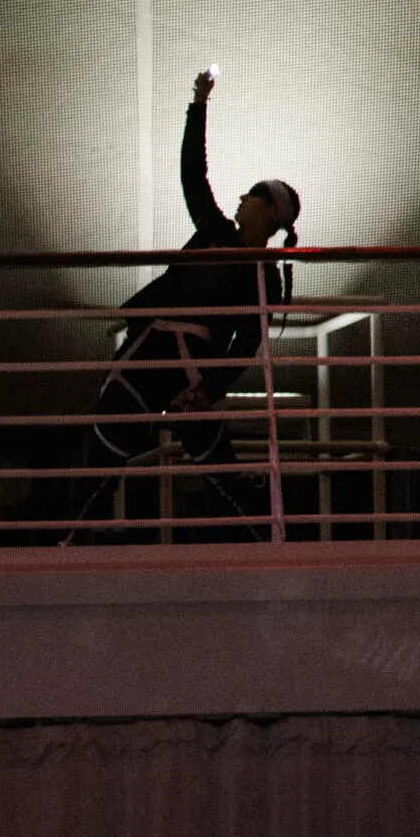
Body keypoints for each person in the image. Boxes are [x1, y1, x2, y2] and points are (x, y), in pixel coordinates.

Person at [83, 71, 302, 535]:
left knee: (211, 459)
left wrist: (209, 388)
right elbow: (192, 175)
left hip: (193, 371)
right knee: (108, 447)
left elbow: (249, 342)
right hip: (155, 351)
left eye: (252, 194)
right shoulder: (214, 232)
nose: (241, 197)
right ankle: (75, 542)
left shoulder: (265, 277)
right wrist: (198, 104)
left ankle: (267, 539)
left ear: (269, 212)